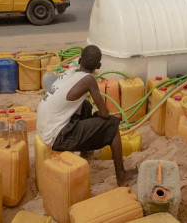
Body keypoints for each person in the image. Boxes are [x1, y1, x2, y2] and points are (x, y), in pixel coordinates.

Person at [36, 45, 138, 186]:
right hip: (56, 136)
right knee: (112, 126)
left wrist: (96, 117)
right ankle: (122, 176)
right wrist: (99, 117)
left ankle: (86, 152)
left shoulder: (70, 72)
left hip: (43, 127)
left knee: (85, 106)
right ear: (99, 65)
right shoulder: (89, 79)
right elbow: (105, 114)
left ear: (80, 60)